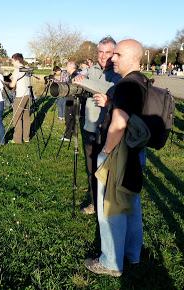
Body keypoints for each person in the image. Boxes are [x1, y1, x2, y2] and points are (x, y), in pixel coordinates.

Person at [84, 39, 146, 277]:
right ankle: (133, 254)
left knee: (110, 208)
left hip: (119, 153)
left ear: (131, 57)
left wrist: (105, 153)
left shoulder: (125, 86)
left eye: (117, 54)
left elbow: (118, 124)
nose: (113, 59)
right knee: (131, 204)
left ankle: (110, 262)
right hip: (136, 151)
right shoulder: (142, 82)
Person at [74, 36, 121, 215]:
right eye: (100, 52)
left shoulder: (118, 73)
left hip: (108, 129)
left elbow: (104, 88)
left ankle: (109, 204)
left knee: (108, 170)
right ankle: (95, 203)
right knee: (91, 167)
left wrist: (82, 81)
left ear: (114, 53)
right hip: (89, 127)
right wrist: (80, 75)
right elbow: (84, 78)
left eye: (108, 52)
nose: (103, 56)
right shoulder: (91, 69)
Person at [8, 53, 31, 144]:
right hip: (28, 95)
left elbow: (12, 85)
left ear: (17, 60)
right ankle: (26, 137)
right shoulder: (27, 69)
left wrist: (5, 83)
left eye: (12, 61)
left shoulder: (17, 70)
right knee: (26, 117)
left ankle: (17, 139)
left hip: (20, 96)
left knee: (17, 117)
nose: (12, 62)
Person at [60, 61, 80, 142]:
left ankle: (67, 136)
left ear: (72, 67)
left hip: (71, 99)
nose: (66, 68)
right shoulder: (73, 75)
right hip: (71, 99)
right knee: (71, 116)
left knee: (68, 117)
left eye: (67, 66)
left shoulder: (75, 76)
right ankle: (71, 132)